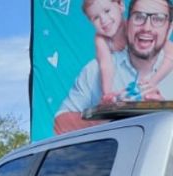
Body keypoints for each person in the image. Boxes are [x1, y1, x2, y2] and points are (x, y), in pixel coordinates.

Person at [56, 0, 173, 134]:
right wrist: (105, 114)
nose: (147, 27)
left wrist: (166, 115)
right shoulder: (94, 70)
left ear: (169, 28)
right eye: (139, 17)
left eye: (158, 19)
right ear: (128, 23)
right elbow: (60, 124)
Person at [84, 0, 173, 103]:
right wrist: (107, 94)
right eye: (95, 18)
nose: (103, 20)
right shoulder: (100, 39)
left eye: (107, 11)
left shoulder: (133, 27)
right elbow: (106, 65)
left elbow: (170, 53)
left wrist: (152, 82)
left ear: (121, 6)